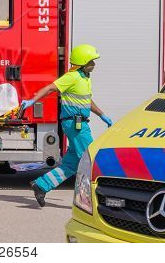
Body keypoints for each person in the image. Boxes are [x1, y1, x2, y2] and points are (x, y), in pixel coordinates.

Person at [20, 44, 113, 207]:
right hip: (75, 125)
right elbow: (50, 88)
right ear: (83, 62)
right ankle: (98, 199)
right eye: (92, 62)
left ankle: (41, 185)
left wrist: (102, 115)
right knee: (90, 159)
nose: (94, 65)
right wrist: (32, 101)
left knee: (71, 164)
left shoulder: (85, 78)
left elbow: (86, 101)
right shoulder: (72, 77)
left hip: (79, 123)